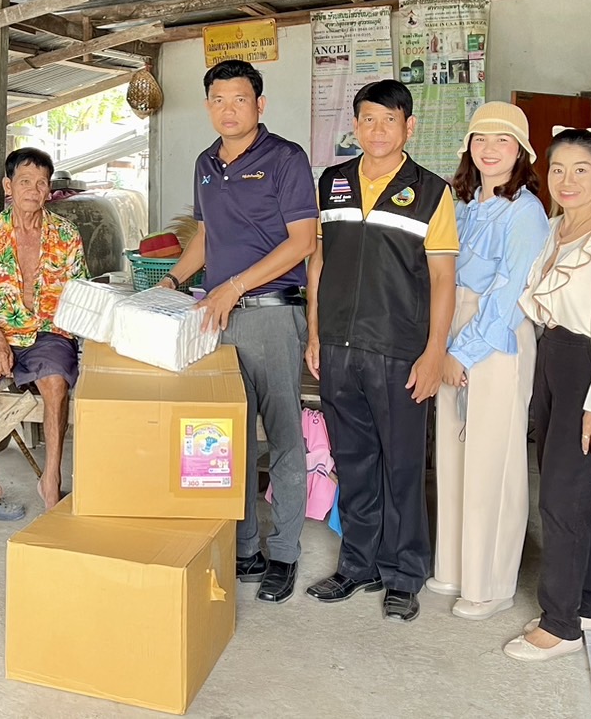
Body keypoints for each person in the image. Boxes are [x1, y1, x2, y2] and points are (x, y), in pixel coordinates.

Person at [304, 79, 458, 623]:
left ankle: (403, 574)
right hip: (339, 347)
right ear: (355, 125)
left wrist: (434, 352)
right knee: (353, 461)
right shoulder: (333, 182)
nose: (377, 130)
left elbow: (443, 279)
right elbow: (319, 263)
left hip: (399, 349)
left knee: (403, 466)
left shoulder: (433, 191)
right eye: (367, 119)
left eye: (388, 120)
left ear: (408, 127)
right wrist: (315, 334)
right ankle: (358, 564)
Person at [168, 60, 317, 604]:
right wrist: (171, 281)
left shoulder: (286, 159)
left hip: (272, 314)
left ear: (260, 104)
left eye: (239, 99)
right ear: (208, 106)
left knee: (283, 436)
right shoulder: (205, 163)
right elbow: (206, 236)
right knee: (228, 438)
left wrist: (232, 287)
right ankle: (245, 546)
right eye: (218, 100)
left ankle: (285, 553)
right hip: (217, 319)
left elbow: (302, 241)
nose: (228, 109)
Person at [507, 127, 591, 662]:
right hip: (554, 357)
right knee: (576, 494)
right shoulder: (557, 228)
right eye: (558, 169)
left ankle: (560, 625)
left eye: (581, 170)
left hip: (588, 368)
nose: (568, 180)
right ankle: (587, 603)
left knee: (562, 498)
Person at [428, 102, 549, 621]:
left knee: (492, 459)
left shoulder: (525, 211)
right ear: (468, 147)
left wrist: (461, 352)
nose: (490, 149)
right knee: (454, 453)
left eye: (503, 140)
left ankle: (491, 583)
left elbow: (510, 293)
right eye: (481, 138)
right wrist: (440, 343)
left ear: (521, 151)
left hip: (496, 339)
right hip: (451, 327)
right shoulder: (459, 203)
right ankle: (455, 567)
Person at [0, 147, 87, 539]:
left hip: (48, 331)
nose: (33, 190)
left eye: (41, 183)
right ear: (8, 186)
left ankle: (51, 479)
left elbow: (81, 294)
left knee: (55, 383)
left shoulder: (66, 235)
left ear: (49, 190)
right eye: (25, 181)